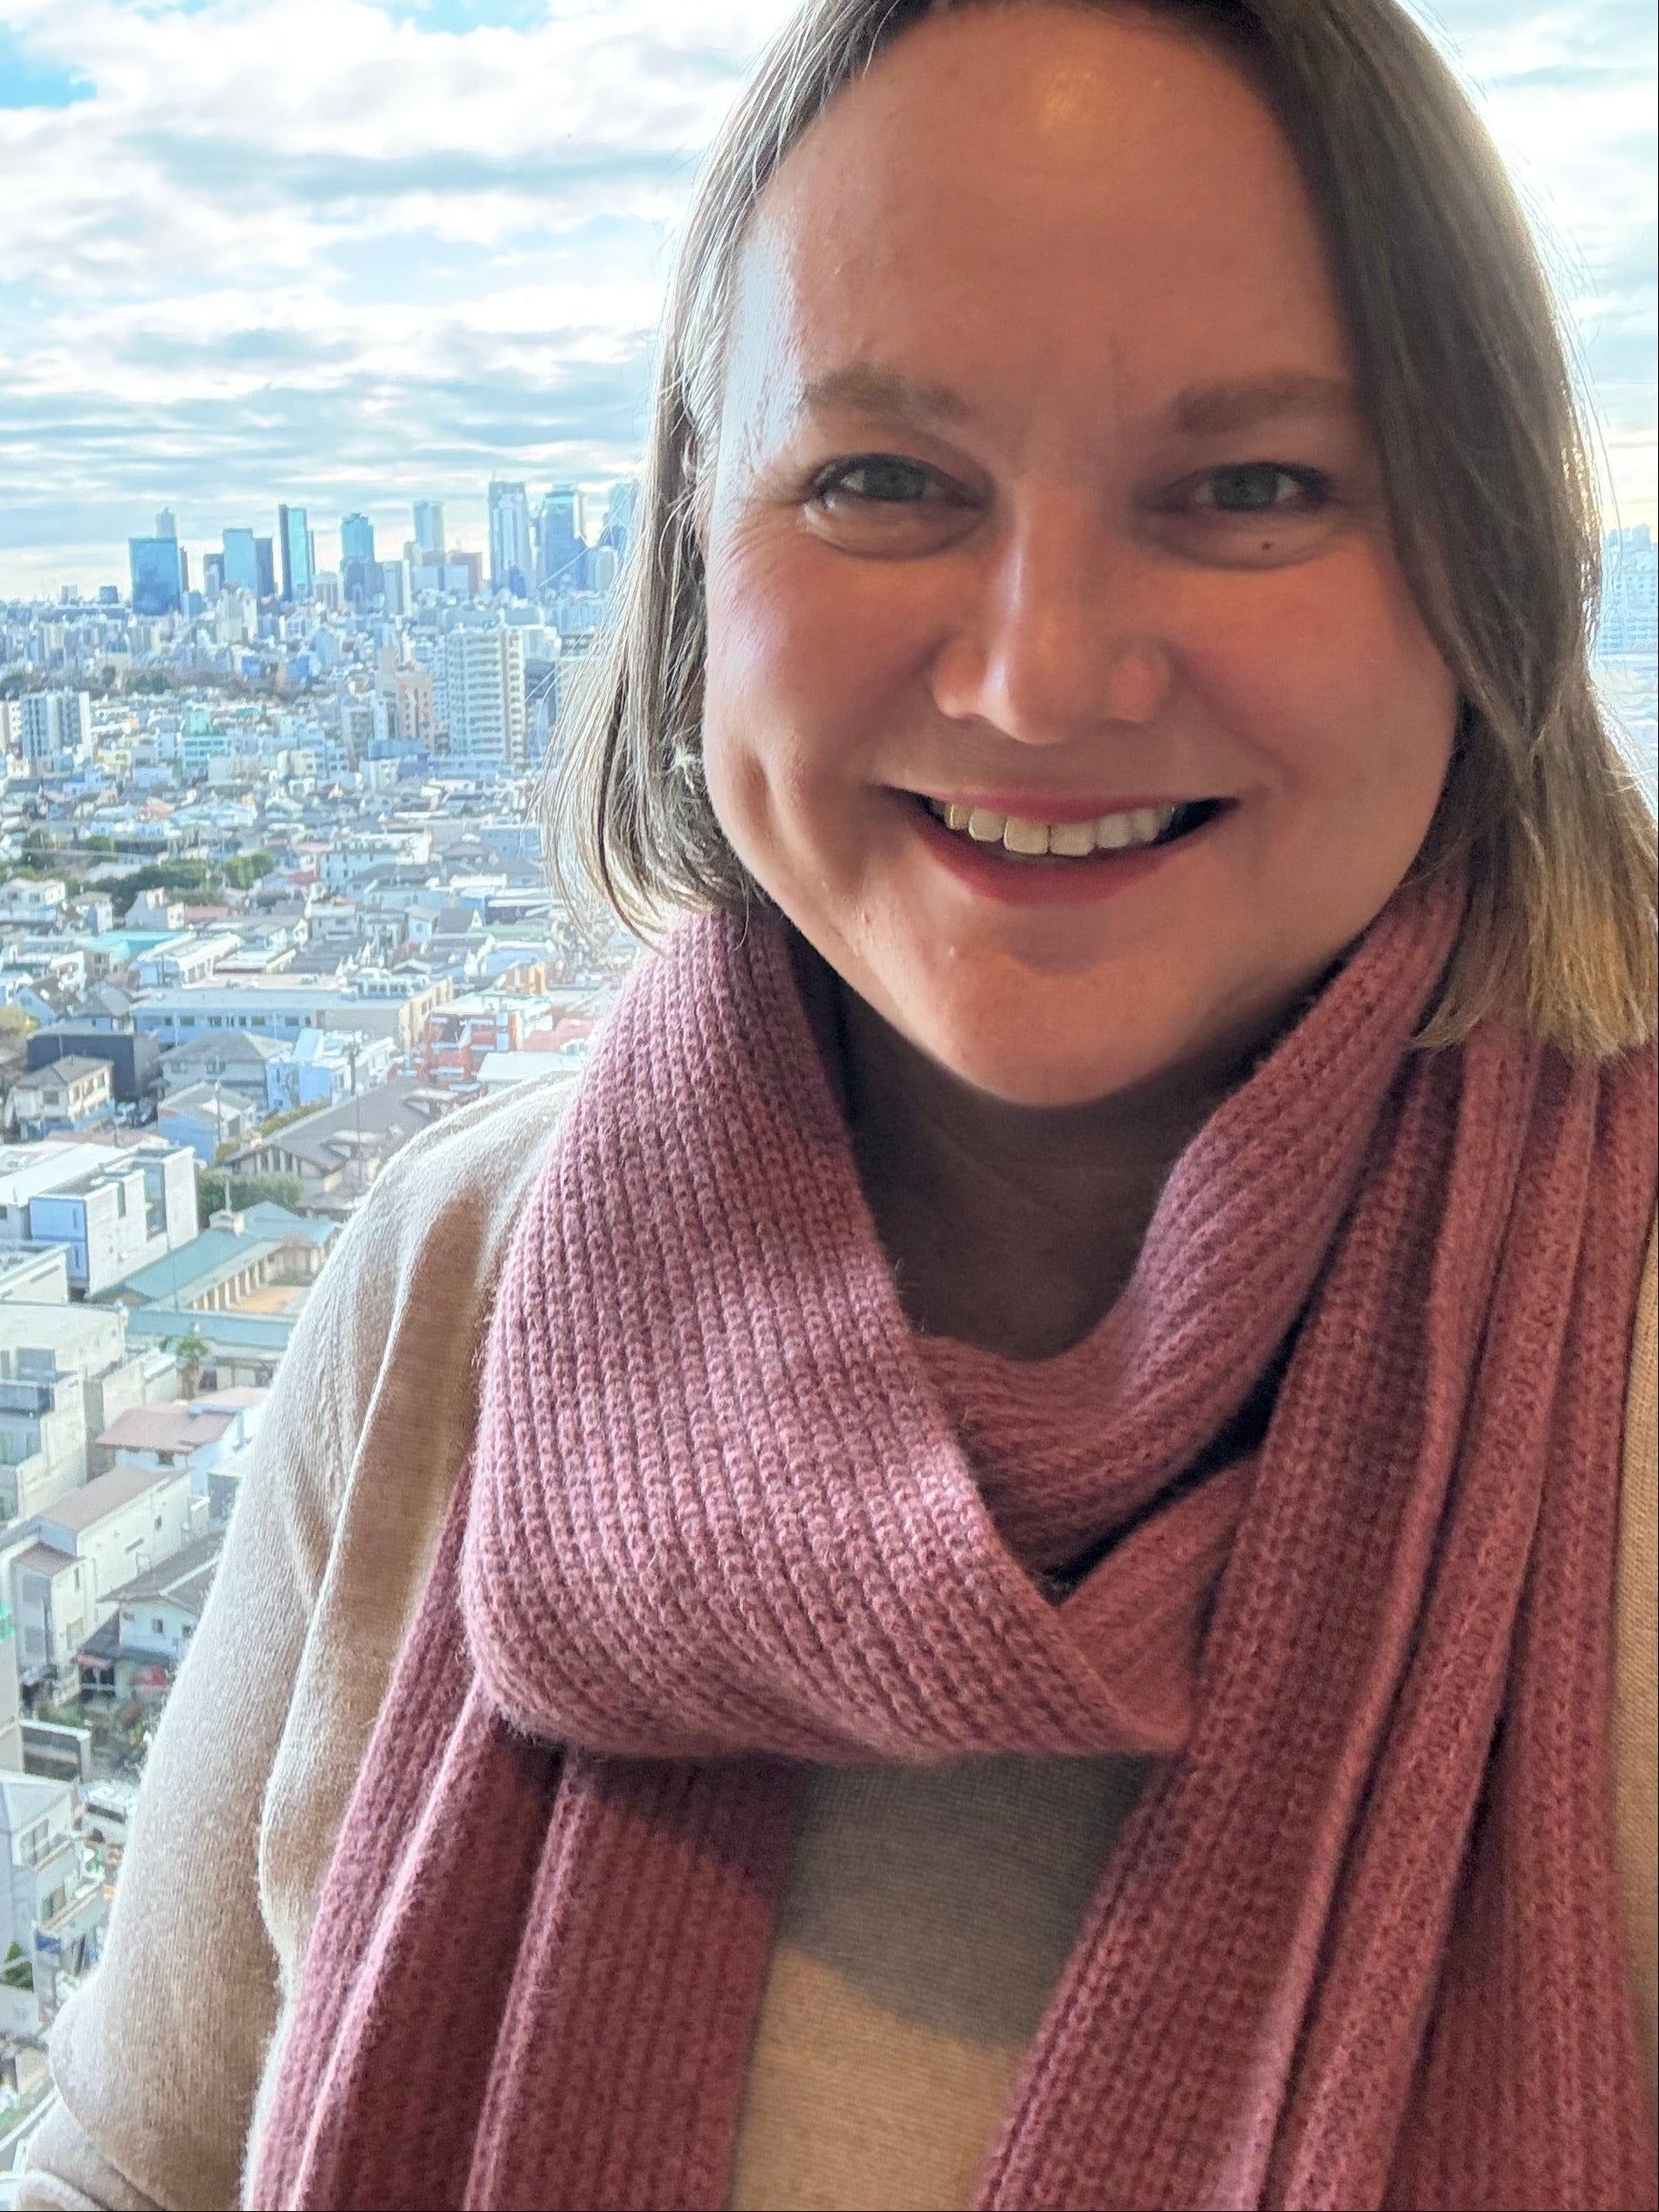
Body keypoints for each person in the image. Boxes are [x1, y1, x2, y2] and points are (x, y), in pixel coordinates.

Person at [20, 0, 1656, 2206]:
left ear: (1485, 574)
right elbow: (137, 2165)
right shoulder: (459, 1278)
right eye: (882, 480)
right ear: (699, 552)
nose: (1036, 672)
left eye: (1253, 484)